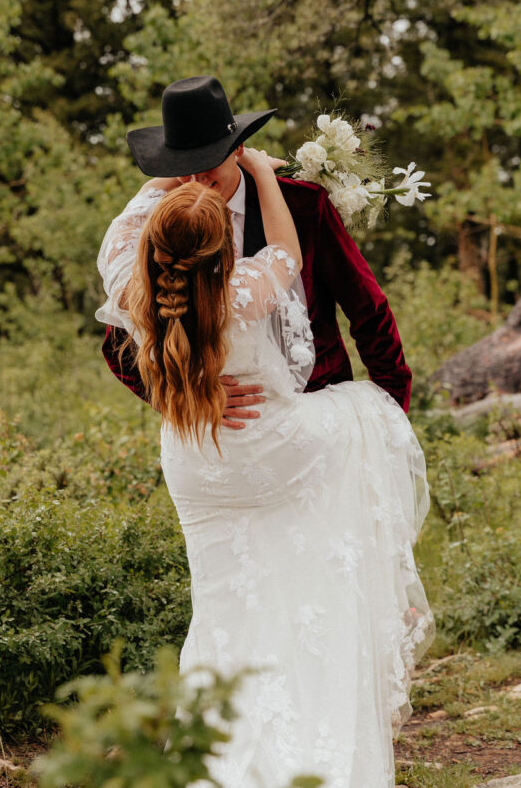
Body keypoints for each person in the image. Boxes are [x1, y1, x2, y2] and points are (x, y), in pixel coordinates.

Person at [95, 143, 435, 787]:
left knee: (231, 610)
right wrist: (250, 165)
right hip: (275, 448)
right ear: (223, 249)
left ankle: (219, 759)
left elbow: (132, 222)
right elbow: (286, 254)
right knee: (364, 418)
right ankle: (309, 732)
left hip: (197, 461)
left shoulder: (129, 264)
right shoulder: (247, 287)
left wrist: (187, 386)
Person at [101, 76, 412, 428]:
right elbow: (120, 343)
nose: (196, 178)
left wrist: (392, 411)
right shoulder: (163, 226)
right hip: (223, 442)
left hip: (316, 421)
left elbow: (368, 311)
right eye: (183, 166)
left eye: (207, 160)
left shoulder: (303, 204)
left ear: (238, 148)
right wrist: (190, 396)